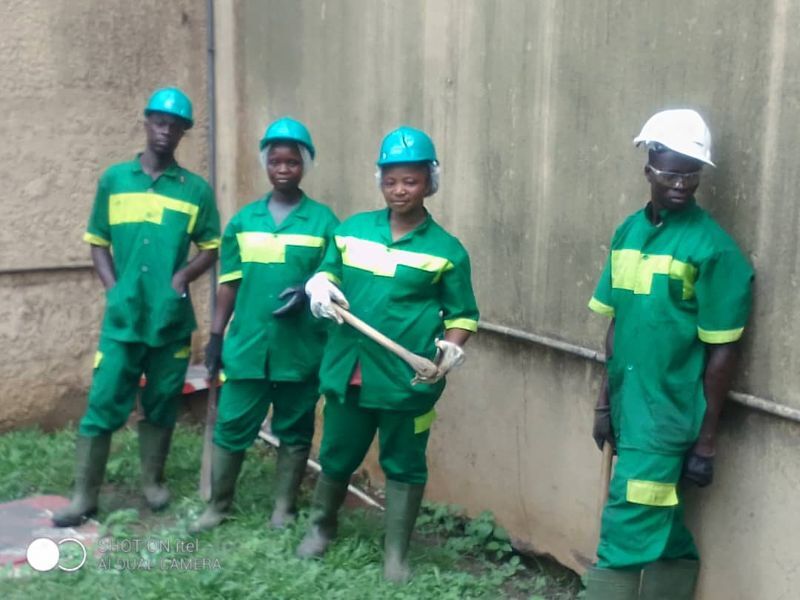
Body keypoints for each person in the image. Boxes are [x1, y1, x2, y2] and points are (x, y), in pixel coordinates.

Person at [296, 126, 480, 583]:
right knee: (336, 454)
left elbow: (463, 314)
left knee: (404, 463)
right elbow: (329, 271)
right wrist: (320, 285)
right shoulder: (351, 231)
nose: (400, 190)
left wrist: (452, 348)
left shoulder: (447, 251)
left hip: (406, 381)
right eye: (391, 180)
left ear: (429, 182)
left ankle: (395, 554)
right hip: (349, 373)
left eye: (411, 181)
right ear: (380, 180)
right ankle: (321, 528)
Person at [586, 109, 754, 599]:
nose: (682, 184)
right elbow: (617, 327)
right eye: (671, 173)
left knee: (624, 531)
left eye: (692, 174)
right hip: (628, 408)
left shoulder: (713, 250)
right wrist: (604, 404)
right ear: (649, 168)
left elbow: (723, 352)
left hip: (667, 419)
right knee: (664, 527)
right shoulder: (627, 234)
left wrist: (706, 443)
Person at [53, 87, 221, 526]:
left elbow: (210, 246)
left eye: (175, 125)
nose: (165, 131)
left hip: (169, 319)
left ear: (183, 133)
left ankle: (152, 482)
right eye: (159, 122)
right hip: (123, 318)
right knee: (104, 399)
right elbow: (98, 241)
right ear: (147, 123)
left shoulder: (195, 191)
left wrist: (182, 277)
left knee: (162, 401)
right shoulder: (114, 180)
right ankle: (84, 496)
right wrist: (114, 289)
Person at [189, 117, 339, 533]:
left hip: (301, 348)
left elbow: (333, 278)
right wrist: (215, 336)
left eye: (292, 161)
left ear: (305, 165)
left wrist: (307, 291)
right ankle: (218, 507)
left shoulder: (324, 223)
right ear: (266, 165)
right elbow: (230, 283)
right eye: (276, 161)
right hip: (248, 346)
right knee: (232, 424)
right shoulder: (243, 221)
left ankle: (284, 509)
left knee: (295, 428)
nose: (283, 169)